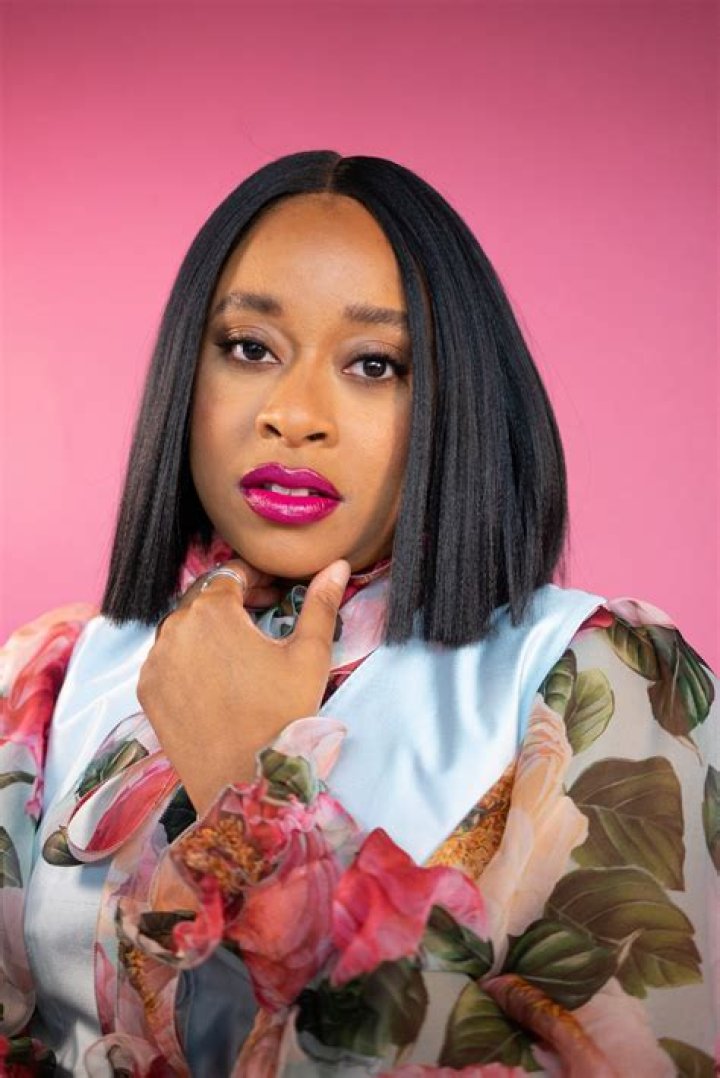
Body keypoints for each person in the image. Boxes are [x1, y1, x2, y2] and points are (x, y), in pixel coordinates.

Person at [0, 150, 716, 1078]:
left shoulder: (591, 677)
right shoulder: (54, 674)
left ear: (458, 399)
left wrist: (252, 789)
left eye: (375, 364)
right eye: (249, 347)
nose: (294, 414)